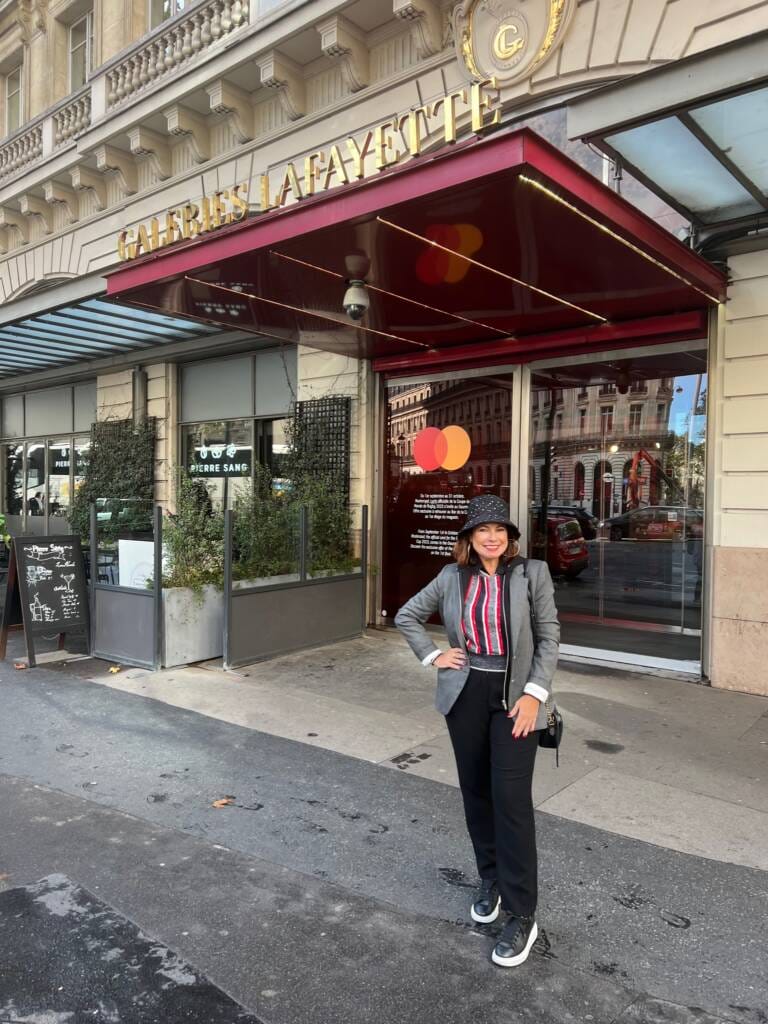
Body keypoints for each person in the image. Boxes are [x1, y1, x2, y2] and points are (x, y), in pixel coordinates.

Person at [395, 494, 560, 968]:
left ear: (509, 538)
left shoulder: (532, 575)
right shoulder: (452, 577)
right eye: (483, 530)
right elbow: (406, 615)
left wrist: (534, 694)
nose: (493, 536)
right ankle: (490, 878)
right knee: (477, 795)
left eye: (500, 530)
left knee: (511, 802)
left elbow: (549, 637)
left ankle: (523, 912)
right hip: (464, 694)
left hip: (514, 699)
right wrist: (433, 656)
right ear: (469, 537)